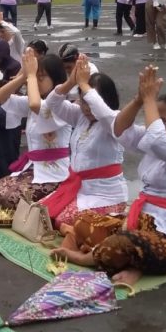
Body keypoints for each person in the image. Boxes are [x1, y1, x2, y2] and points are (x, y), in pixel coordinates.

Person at [52, 66, 166, 286]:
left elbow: (156, 140)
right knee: (84, 223)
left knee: (120, 244)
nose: (153, 123)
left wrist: (151, 101)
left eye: (161, 120)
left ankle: (90, 258)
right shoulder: (160, 141)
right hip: (144, 225)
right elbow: (119, 128)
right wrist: (138, 100)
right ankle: (133, 263)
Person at [41, 56, 127, 228]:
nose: (87, 108)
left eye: (91, 102)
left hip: (105, 195)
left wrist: (85, 86)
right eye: (83, 102)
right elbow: (52, 102)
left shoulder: (115, 120)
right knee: (40, 212)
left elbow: (102, 112)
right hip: (78, 189)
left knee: (61, 221)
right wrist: (72, 80)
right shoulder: (81, 116)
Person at [0, 50, 71, 209]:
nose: (37, 81)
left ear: (55, 79)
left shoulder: (60, 106)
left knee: (8, 199)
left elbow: (35, 106)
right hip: (32, 168)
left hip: (54, 174)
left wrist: (32, 76)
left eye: (42, 77)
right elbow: (0, 97)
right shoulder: (34, 100)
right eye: (37, 77)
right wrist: (24, 75)